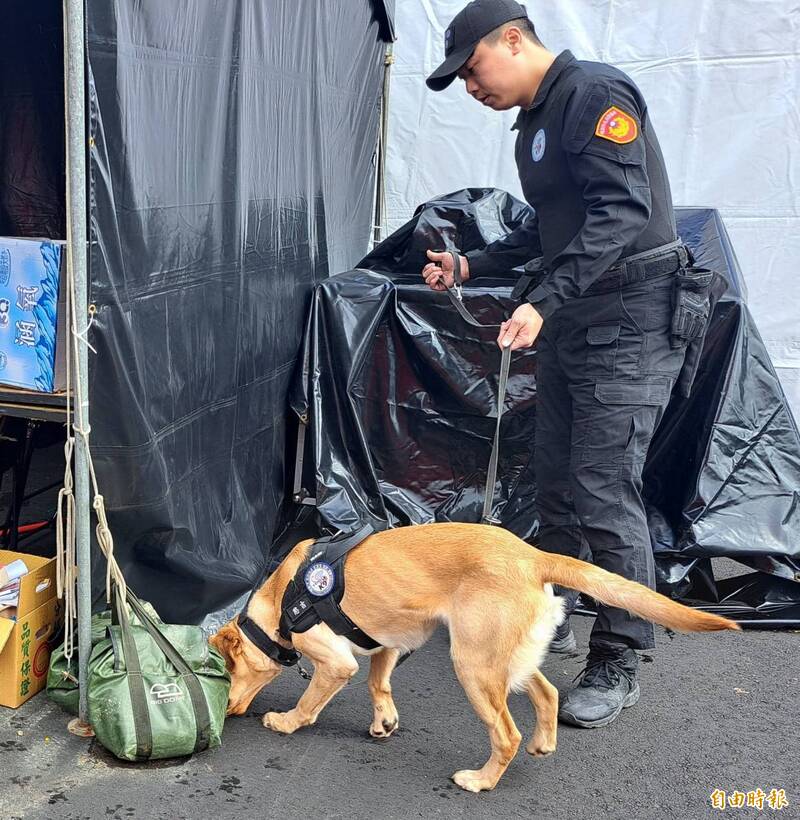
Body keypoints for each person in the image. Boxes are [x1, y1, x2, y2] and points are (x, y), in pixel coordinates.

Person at [421, 0, 695, 729]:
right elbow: (551, 232)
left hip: (634, 316)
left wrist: (544, 300)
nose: (471, 89)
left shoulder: (594, 96)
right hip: (579, 321)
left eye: (472, 69)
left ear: (513, 39)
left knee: (603, 484)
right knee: (555, 479)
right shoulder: (535, 128)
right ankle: (554, 607)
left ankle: (620, 655)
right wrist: (468, 261)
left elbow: (621, 212)